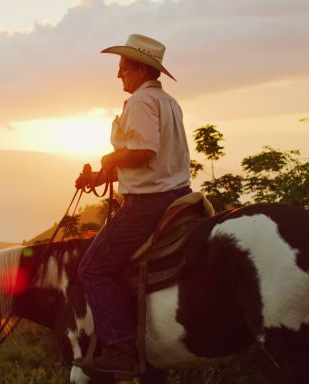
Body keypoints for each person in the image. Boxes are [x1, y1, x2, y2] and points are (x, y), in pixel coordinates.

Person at [75, 34, 192, 376]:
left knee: (91, 269)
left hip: (149, 205)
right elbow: (155, 164)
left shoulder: (140, 103)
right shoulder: (169, 102)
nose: (118, 75)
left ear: (140, 69)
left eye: (123, 67)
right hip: (177, 195)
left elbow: (143, 153)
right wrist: (101, 177)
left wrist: (109, 157)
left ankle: (121, 346)